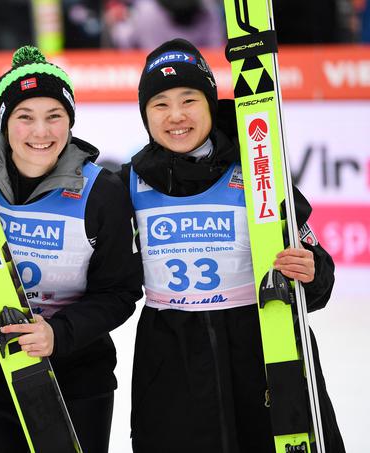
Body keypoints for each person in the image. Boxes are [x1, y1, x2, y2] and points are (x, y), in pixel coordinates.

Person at [119, 38, 346, 453]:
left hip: (260, 346)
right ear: (145, 115)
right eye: (160, 104)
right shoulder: (126, 183)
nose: (176, 116)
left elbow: (318, 270)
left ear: (209, 103)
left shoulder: (259, 170)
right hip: (172, 357)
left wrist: (311, 270)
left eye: (189, 100)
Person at [0, 46, 143, 453]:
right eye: (24, 117)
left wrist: (59, 334)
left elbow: (120, 293)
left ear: (70, 120)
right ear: (4, 122)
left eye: (54, 116)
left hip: (75, 372)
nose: (41, 132)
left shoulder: (101, 192)